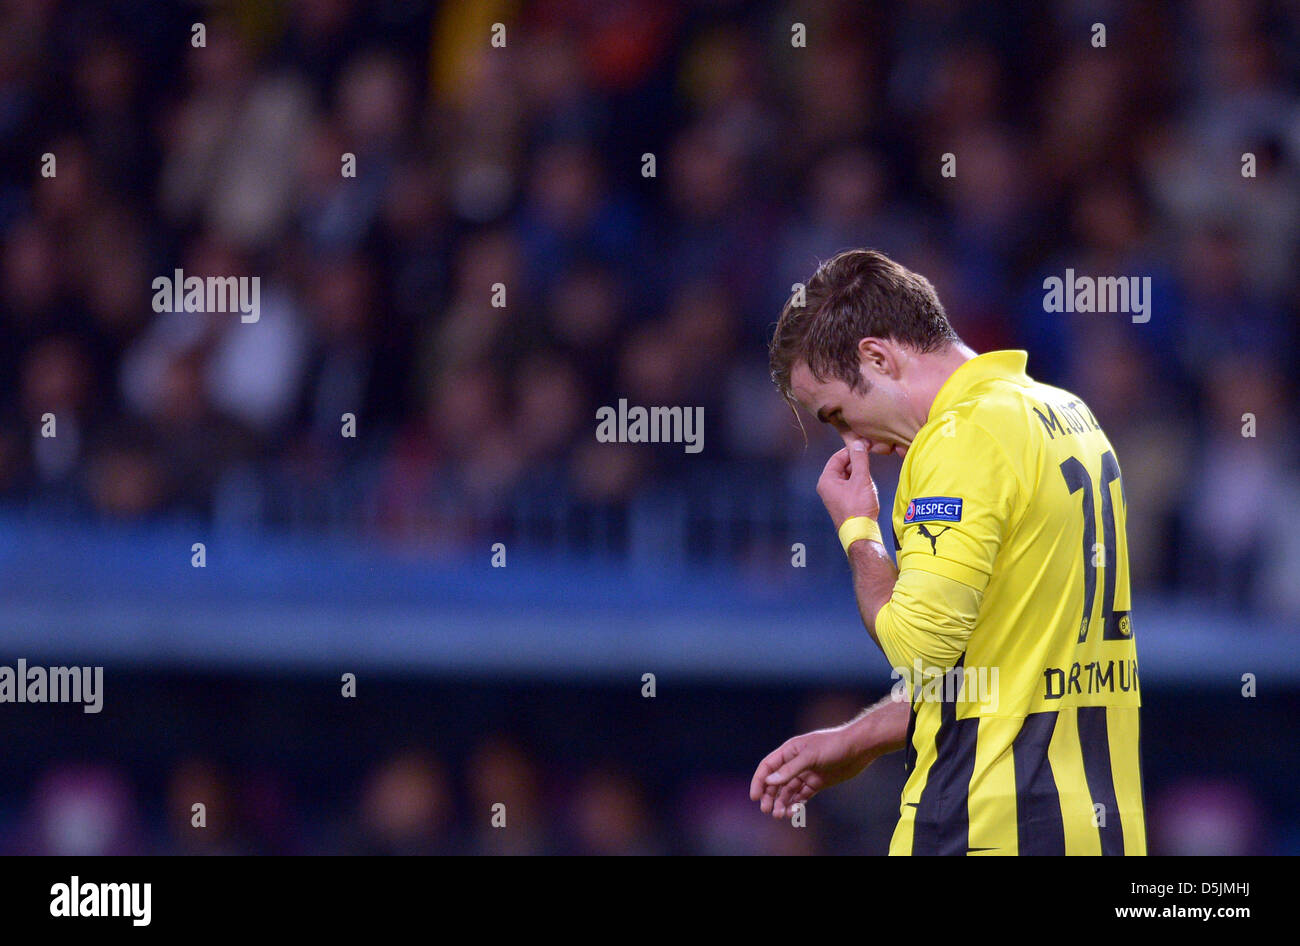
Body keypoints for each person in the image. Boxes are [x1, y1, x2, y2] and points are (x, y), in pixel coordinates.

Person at [751, 249, 1146, 855]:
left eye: (837, 414)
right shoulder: (1067, 414)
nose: (851, 440)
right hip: (1095, 826)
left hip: (984, 825)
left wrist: (859, 532)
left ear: (877, 357)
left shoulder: (961, 438)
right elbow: (1006, 665)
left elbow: (918, 649)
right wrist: (862, 737)